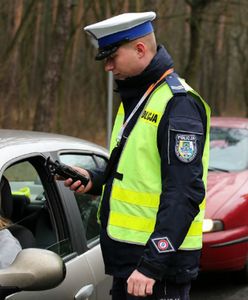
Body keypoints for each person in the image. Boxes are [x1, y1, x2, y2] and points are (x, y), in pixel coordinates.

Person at [64, 11, 210, 300]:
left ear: (140, 49)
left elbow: (184, 193)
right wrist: (95, 180)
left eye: (111, 57)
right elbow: (137, 173)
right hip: (130, 264)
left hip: (156, 271)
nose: (107, 67)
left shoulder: (178, 104)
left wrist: (152, 265)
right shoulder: (137, 98)